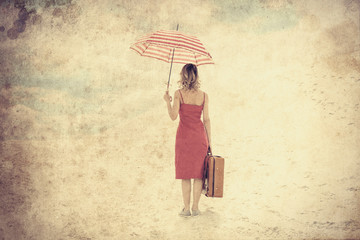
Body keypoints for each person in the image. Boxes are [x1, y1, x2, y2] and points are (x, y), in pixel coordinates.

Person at [163, 63, 211, 217]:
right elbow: (207, 120)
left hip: (184, 138)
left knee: (185, 175)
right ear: (196, 76)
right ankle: (196, 208)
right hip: (199, 138)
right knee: (198, 174)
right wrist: (210, 142)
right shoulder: (204, 96)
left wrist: (167, 101)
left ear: (182, 75)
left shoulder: (178, 94)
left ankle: (186, 209)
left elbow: (173, 116)